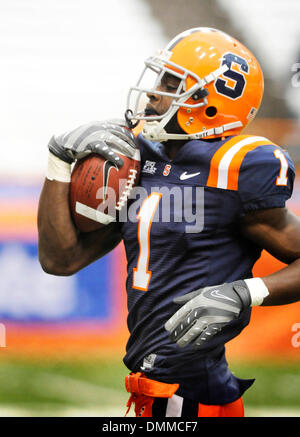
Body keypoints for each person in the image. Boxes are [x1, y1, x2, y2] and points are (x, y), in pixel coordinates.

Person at [38, 27, 300, 418]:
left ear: (207, 101)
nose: (153, 92)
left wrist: (247, 292)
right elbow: (61, 260)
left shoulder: (235, 166)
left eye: (171, 81)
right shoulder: (138, 157)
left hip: (191, 395)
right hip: (160, 393)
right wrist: (59, 162)